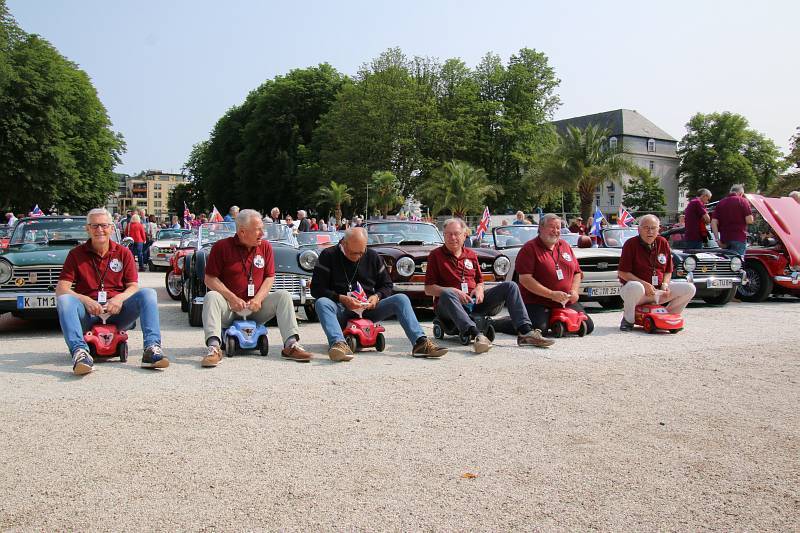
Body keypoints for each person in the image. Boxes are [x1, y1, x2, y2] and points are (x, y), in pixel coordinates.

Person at [55, 208, 169, 375]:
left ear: (111, 228)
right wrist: (85, 300)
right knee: (64, 300)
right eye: (94, 226)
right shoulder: (75, 254)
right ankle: (80, 353)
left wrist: (119, 299)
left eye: (104, 225)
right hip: (88, 314)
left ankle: (152, 349)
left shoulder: (124, 253)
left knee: (148, 294)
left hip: (117, 312)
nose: (99, 230)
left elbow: (133, 286)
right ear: (87, 229)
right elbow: (62, 289)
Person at [311, 228, 447, 361]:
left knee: (401, 299)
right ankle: (338, 344)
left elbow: (387, 285)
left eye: (361, 252)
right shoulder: (328, 255)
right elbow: (316, 289)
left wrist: (377, 296)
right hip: (341, 309)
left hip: (368, 308)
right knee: (322, 302)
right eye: (354, 253)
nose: (358, 257)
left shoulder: (372, 256)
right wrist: (341, 298)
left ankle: (420, 342)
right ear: (343, 244)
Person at [200, 209, 313, 366]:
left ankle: (291, 345)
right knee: (211, 296)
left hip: (256, 308)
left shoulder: (265, 247)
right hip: (229, 308)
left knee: (283, 295)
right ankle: (214, 348)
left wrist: (258, 299)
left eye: (263, 229)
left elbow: (269, 277)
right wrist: (232, 298)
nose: (263, 233)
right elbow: (209, 279)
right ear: (242, 232)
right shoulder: (221, 247)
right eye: (258, 230)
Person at [424, 218, 553, 353]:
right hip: (449, 305)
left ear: (464, 235)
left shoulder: (471, 255)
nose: (452, 237)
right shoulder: (435, 255)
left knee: (510, 286)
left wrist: (479, 289)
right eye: (448, 234)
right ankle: (476, 335)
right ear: (444, 235)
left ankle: (526, 332)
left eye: (456, 234)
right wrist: (454, 291)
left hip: (473, 301)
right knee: (448, 293)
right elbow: (428, 289)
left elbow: (480, 281)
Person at [514, 213, 594, 336]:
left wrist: (574, 291)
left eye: (558, 228)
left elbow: (577, 272)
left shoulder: (564, 246)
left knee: (588, 326)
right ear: (541, 228)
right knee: (538, 329)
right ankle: (500, 322)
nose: (555, 231)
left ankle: (555, 321)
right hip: (538, 301)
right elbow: (525, 279)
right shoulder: (529, 248)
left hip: (564, 300)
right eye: (551, 227)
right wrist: (551, 294)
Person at [617, 214, 696, 331]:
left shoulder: (663, 242)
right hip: (639, 293)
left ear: (659, 229)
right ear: (639, 229)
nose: (650, 231)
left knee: (690, 288)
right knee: (635, 286)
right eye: (646, 228)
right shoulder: (630, 244)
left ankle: (668, 317)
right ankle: (628, 320)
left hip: (658, 291)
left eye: (653, 228)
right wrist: (644, 284)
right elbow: (622, 273)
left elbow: (668, 270)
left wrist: (665, 284)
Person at [711, 184, 753, 257]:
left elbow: (713, 222)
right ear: (741, 193)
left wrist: (717, 240)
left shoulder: (721, 203)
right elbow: (749, 220)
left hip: (724, 239)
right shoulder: (743, 201)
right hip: (739, 237)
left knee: (727, 263)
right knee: (737, 262)